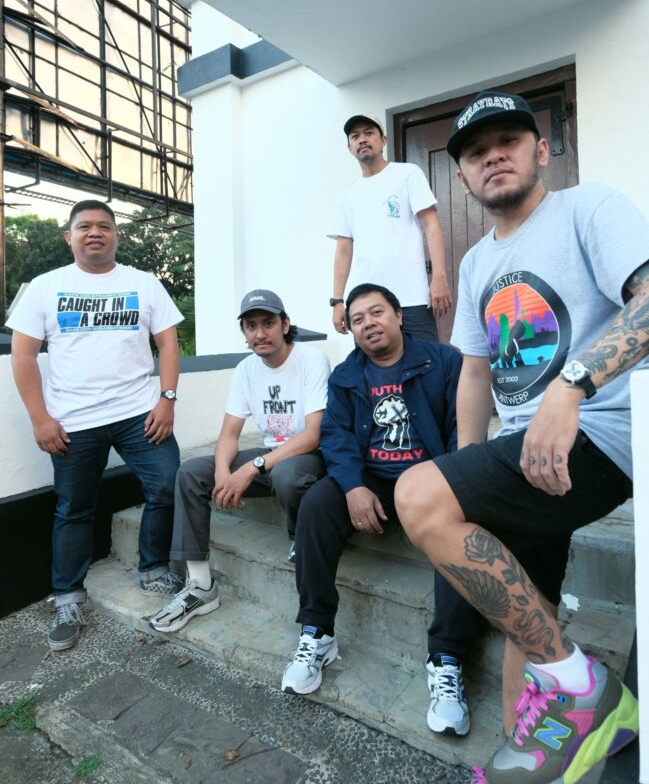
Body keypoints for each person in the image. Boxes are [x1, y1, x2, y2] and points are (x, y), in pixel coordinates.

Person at [390, 90, 649, 784]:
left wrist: (572, 385)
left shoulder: (588, 208)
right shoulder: (477, 262)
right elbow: (474, 371)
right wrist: (466, 466)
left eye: (509, 140)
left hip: (597, 437)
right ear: (461, 175)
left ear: (541, 150)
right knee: (528, 616)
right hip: (522, 452)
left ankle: (580, 686)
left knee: (415, 495)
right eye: (475, 150)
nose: (493, 155)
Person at [281, 283, 480, 738]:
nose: (368, 323)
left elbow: (462, 425)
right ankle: (317, 632)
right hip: (373, 478)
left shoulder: (442, 361)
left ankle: (447, 657)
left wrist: (451, 480)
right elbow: (335, 436)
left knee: (462, 525)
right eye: (358, 319)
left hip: (430, 477)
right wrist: (352, 486)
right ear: (351, 330)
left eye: (377, 312)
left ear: (399, 315)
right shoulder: (346, 376)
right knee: (316, 504)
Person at [8, 199, 184, 652]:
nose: (95, 233)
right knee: (74, 507)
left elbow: (168, 344)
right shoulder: (45, 288)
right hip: (74, 420)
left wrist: (166, 399)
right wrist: (40, 418)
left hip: (138, 413)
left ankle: (154, 568)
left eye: (104, 226)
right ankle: (68, 597)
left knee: (167, 484)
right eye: (84, 226)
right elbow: (23, 355)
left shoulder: (144, 284)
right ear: (69, 236)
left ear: (116, 236)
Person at [150, 289, 330, 633]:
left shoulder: (311, 359)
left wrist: (250, 468)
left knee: (287, 474)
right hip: (271, 456)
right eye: (251, 326)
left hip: (309, 456)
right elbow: (230, 434)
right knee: (191, 472)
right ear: (244, 332)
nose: (260, 333)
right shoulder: (246, 369)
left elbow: (313, 435)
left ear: (285, 324)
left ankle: (302, 534)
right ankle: (200, 586)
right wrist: (222, 474)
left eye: (268, 323)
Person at [330, 114, 453, 341]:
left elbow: (431, 225)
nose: (362, 139)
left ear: (383, 140)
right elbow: (343, 249)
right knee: (375, 365)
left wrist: (439, 277)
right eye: (355, 136)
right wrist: (337, 301)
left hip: (412, 299)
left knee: (425, 360)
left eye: (369, 133)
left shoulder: (407, 174)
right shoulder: (347, 194)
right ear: (349, 148)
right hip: (368, 306)